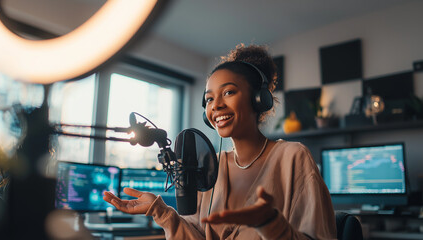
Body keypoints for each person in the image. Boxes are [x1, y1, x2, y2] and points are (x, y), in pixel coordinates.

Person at [104, 44, 337, 239]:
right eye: (209, 99)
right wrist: (160, 211)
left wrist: (270, 224)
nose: (215, 106)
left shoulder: (293, 158)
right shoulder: (209, 166)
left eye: (228, 92)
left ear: (259, 99)